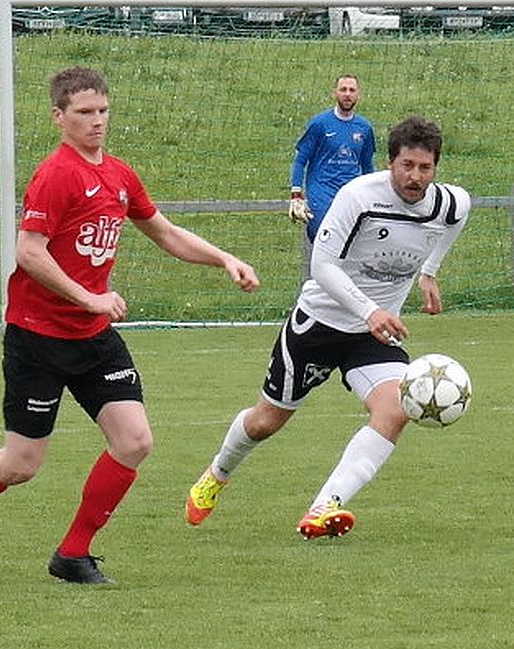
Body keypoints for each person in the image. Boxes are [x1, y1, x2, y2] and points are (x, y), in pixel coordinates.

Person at [0, 66, 259, 584]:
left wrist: (224, 258)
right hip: (37, 338)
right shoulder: (56, 175)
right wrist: (90, 297)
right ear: (59, 116)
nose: (97, 121)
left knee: (134, 441)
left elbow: (163, 231)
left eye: (103, 111)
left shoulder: (118, 175)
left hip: (92, 338)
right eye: (84, 112)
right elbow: (29, 252)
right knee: (21, 465)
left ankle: (72, 554)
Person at [186, 115, 469, 539]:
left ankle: (324, 507)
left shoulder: (448, 203)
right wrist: (369, 310)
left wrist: (429, 272)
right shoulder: (359, 196)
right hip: (319, 325)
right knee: (266, 421)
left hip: (374, 336)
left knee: (395, 411)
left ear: (436, 168)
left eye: (425, 168)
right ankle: (217, 474)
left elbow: (458, 217)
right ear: (390, 162)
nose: (415, 177)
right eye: (407, 165)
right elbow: (322, 265)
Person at [288, 74, 376, 276]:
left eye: (351, 90)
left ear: (358, 95)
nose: (347, 94)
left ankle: (342, 291)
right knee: (325, 244)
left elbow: (367, 166)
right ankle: (319, 287)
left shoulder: (364, 128)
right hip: (322, 194)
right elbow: (301, 160)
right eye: (343, 89)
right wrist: (296, 194)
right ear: (335, 93)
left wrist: (373, 196)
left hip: (351, 196)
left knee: (352, 248)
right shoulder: (320, 124)